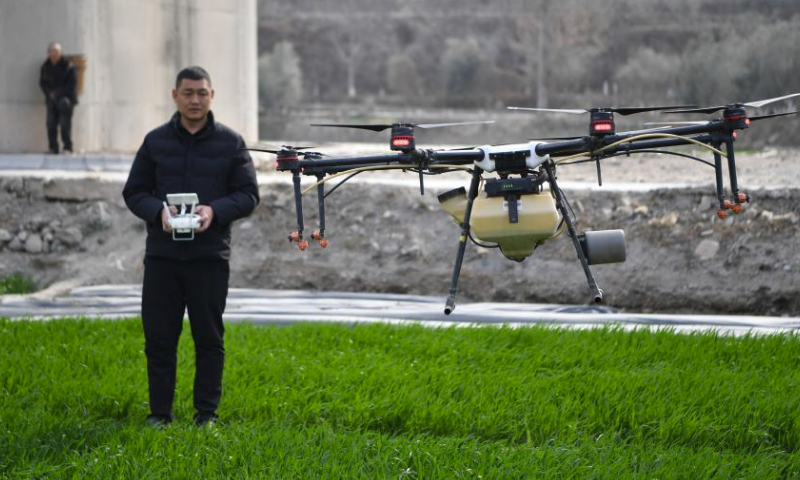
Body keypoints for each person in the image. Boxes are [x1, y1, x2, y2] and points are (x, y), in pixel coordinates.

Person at [122, 66, 259, 427]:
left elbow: (248, 195)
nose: (195, 100)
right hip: (163, 258)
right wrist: (158, 213)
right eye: (188, 93)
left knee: (209, 339)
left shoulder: (231, 143)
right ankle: (159, 414)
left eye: (201, 92)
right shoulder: (155, 142)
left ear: (212, 95)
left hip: (208, 258)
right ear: (175, 96)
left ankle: (206, 414)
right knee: (159, 339)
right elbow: (134, 192)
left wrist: (215, 210)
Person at [39, 42, 77, 154]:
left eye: (56, 51)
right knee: (51, 123)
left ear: (60, 53)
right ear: (48, 53)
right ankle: (53, 147)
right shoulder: (45, 66)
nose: (53, 54)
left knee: (65, 124)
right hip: (51, 100)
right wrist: (49, 93)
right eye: (51, 51)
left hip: (65, 100)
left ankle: (67, 147)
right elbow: (42, 83)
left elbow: (71, 84)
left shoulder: (68, 66)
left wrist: (58, 93)